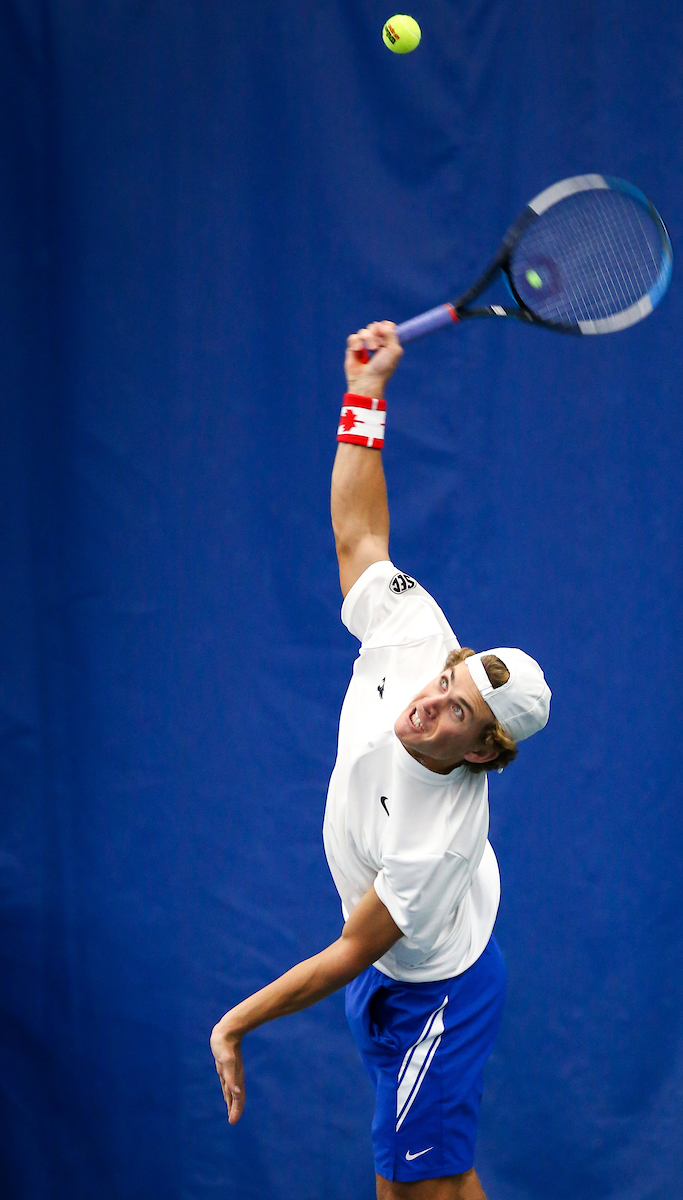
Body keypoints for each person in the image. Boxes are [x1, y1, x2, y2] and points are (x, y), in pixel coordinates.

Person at [210, 322, 551, 1200]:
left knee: (412, 1192)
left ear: (481, 751)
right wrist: (364, 396)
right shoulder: (418, 638)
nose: (431, 699)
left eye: (459, 712)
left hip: (432, 990)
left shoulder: (438, 840)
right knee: (430, 1184)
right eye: (450, 678)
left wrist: (235, 1024)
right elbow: (360, 538)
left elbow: (344, 956)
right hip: (394, 971)